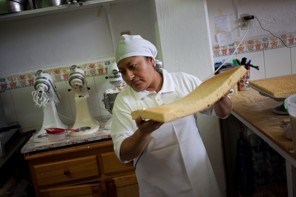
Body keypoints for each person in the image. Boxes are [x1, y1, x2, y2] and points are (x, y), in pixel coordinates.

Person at [110, 34, 232, 197]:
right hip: (160, 188)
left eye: (133, 66)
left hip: (200, 179)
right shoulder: (124, 101)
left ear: (151, 60)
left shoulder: (184, 82)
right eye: (123, 71)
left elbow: (223, 113)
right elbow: (123, 154)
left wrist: (220, 96)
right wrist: (143, 132)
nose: (129, 77)